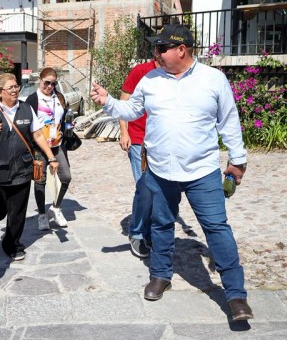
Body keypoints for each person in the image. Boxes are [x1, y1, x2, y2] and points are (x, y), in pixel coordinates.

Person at [89, 24, 253, 321]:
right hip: (161, 171)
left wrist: (237, 161)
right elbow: (132, 111)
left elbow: (229, 122)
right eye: (155, 47)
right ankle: (160, 274)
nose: (156, 53)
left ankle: (236, 294)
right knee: (161, 225)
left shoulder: (213, 80)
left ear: (182, 49)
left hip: (201, 172)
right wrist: (109, 102)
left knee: (217, 228)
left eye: (161, 48)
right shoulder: (150, 80)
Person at [0, 73, 59, 261]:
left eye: (16, 86)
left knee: (17, 212)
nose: (15, 90)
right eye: (11, 87)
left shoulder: (25, 108)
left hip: (22, 170)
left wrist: (51, 157)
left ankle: (12, 244)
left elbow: (38, 135)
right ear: (0, 92)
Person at [119, 58, 159, 258]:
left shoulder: (177, 73)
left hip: (161, 140)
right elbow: (123, 102)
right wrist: (123, 131)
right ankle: (137, 232)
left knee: (159, 189)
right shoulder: (140, 71)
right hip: (138, 139)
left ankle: (151, 231)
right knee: (144, 187)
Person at [25, 68, 73, 230]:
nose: (50, 86)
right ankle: (42, 214)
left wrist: (68, 126)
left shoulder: (59, 97)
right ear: (40, 80)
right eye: (47, 82)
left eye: (53, 83)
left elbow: (65, 116)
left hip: (57, 145)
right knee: (40, 180)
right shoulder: (32, 99)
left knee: (66, 177)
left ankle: (56, 207)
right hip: (39, 147)